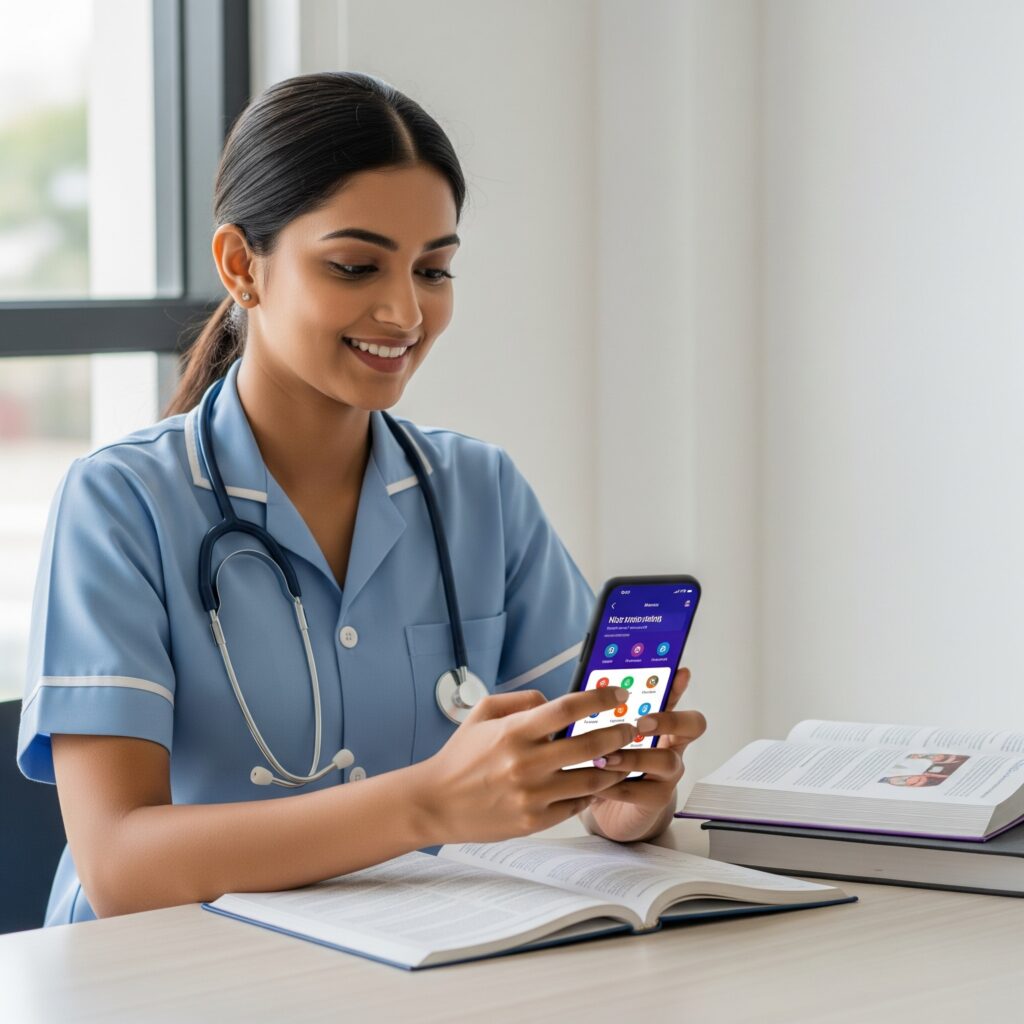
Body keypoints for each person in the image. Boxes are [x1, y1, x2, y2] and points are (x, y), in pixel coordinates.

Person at [16, 72, 706, 925]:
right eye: (355, 265)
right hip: (170, 977)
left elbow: (570, 766)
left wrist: (623, 801)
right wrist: (426, 805)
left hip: (409, 959)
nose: (404, 310)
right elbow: (119, 864)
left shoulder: (479, 490)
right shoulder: (121, 503)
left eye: (435, 270)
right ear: (242, 266)